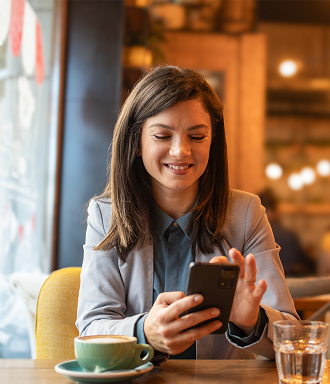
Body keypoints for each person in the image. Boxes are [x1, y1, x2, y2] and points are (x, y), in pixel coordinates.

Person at [76, 65, 299, 362]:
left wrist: (251, 320)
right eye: (162, 136)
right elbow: (91, 330)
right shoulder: (106, 216)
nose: (180, 151)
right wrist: (145, 332)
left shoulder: (246, 213)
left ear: (213, 143)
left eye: (196, 137)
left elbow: (292, 337)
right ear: (137, 143)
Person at [257, 189, 312, 276]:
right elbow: (305, 265)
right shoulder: (289, 236)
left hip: (264, 285)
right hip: (293, 285)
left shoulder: (254, 237)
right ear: (276, 211)